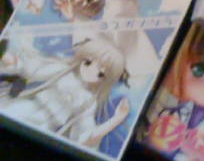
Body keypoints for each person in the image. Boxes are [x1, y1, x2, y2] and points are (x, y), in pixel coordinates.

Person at [0, 36, 129, 152]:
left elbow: (85, 136)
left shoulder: (88, 101)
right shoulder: (62, 71)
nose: (91, 71)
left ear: (106, 79)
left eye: (100, 74)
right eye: (88, 63)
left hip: (41, 131)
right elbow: (30, 68)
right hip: (21, 110)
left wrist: (116, 119)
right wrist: (6, 56)